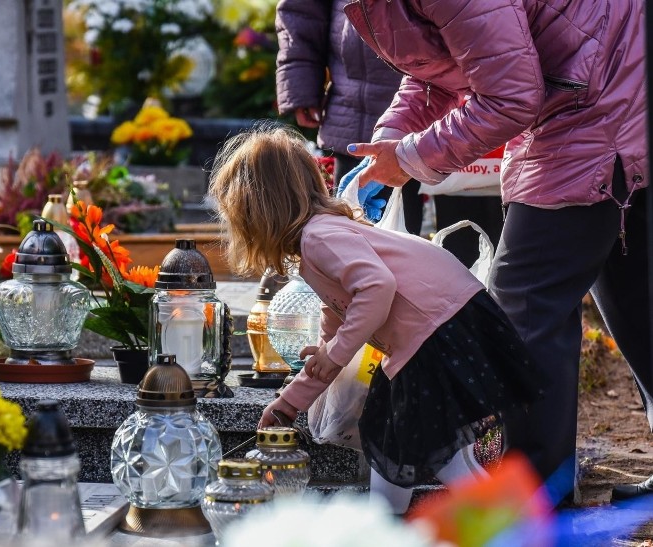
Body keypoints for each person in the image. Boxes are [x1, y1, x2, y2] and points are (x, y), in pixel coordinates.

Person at [339, 0, 649, 503]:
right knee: (638, 305)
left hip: (593, 111)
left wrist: (413, 158)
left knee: (523, 309)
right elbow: (440, 67)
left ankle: (534, 501)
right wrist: (391, 142)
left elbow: (509, 96)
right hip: (604, 91)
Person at [208, 123, 542, 514]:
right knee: (391, 438)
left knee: (427, 446)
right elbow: (335, 328)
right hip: (446, 324)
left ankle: (507, 523)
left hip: (435, 332)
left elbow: (376, 287)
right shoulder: (322, 237)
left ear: (260, 211)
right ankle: (388, 523)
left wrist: (333, 355)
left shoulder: (319, 238)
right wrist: (289, 403)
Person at [274, 0, 422, 234]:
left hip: (448, 98)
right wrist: (300, 81)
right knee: (356, 232)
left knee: (463, 238)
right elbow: (300, 11)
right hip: (355, 105)